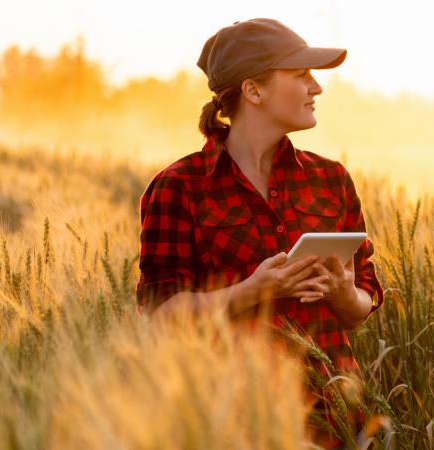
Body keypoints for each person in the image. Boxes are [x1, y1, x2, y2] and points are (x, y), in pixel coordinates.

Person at [135, 18, 384, 449]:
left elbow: (363, 301)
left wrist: (343, 292)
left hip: (337, 423)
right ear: (253, 90)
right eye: (301, 74)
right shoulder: (181, 186)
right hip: (233, 426)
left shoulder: (331, 179)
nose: (316, 87)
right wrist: (252, 291)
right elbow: (159, 316)